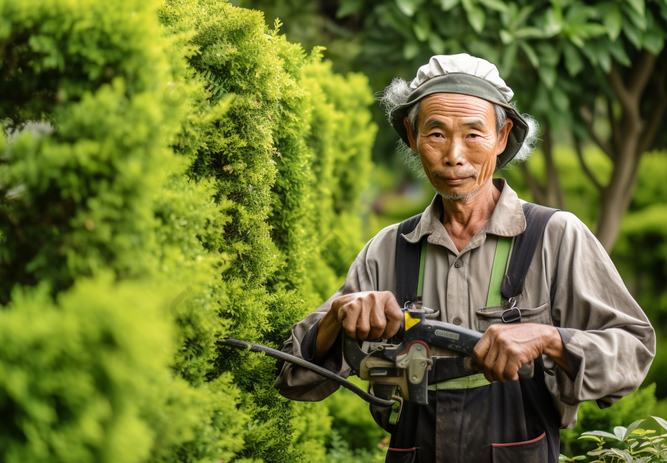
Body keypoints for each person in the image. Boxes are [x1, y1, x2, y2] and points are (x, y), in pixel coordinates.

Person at [274, 53, 655, 462]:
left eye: (474, 134)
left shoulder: (555, 236)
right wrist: (339, 318)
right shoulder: (389, 249)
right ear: (411, 133)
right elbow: (294, 378)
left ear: (503, 135)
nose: (454, 155)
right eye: (436, 134)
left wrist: (549, 338)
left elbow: (632, 351)